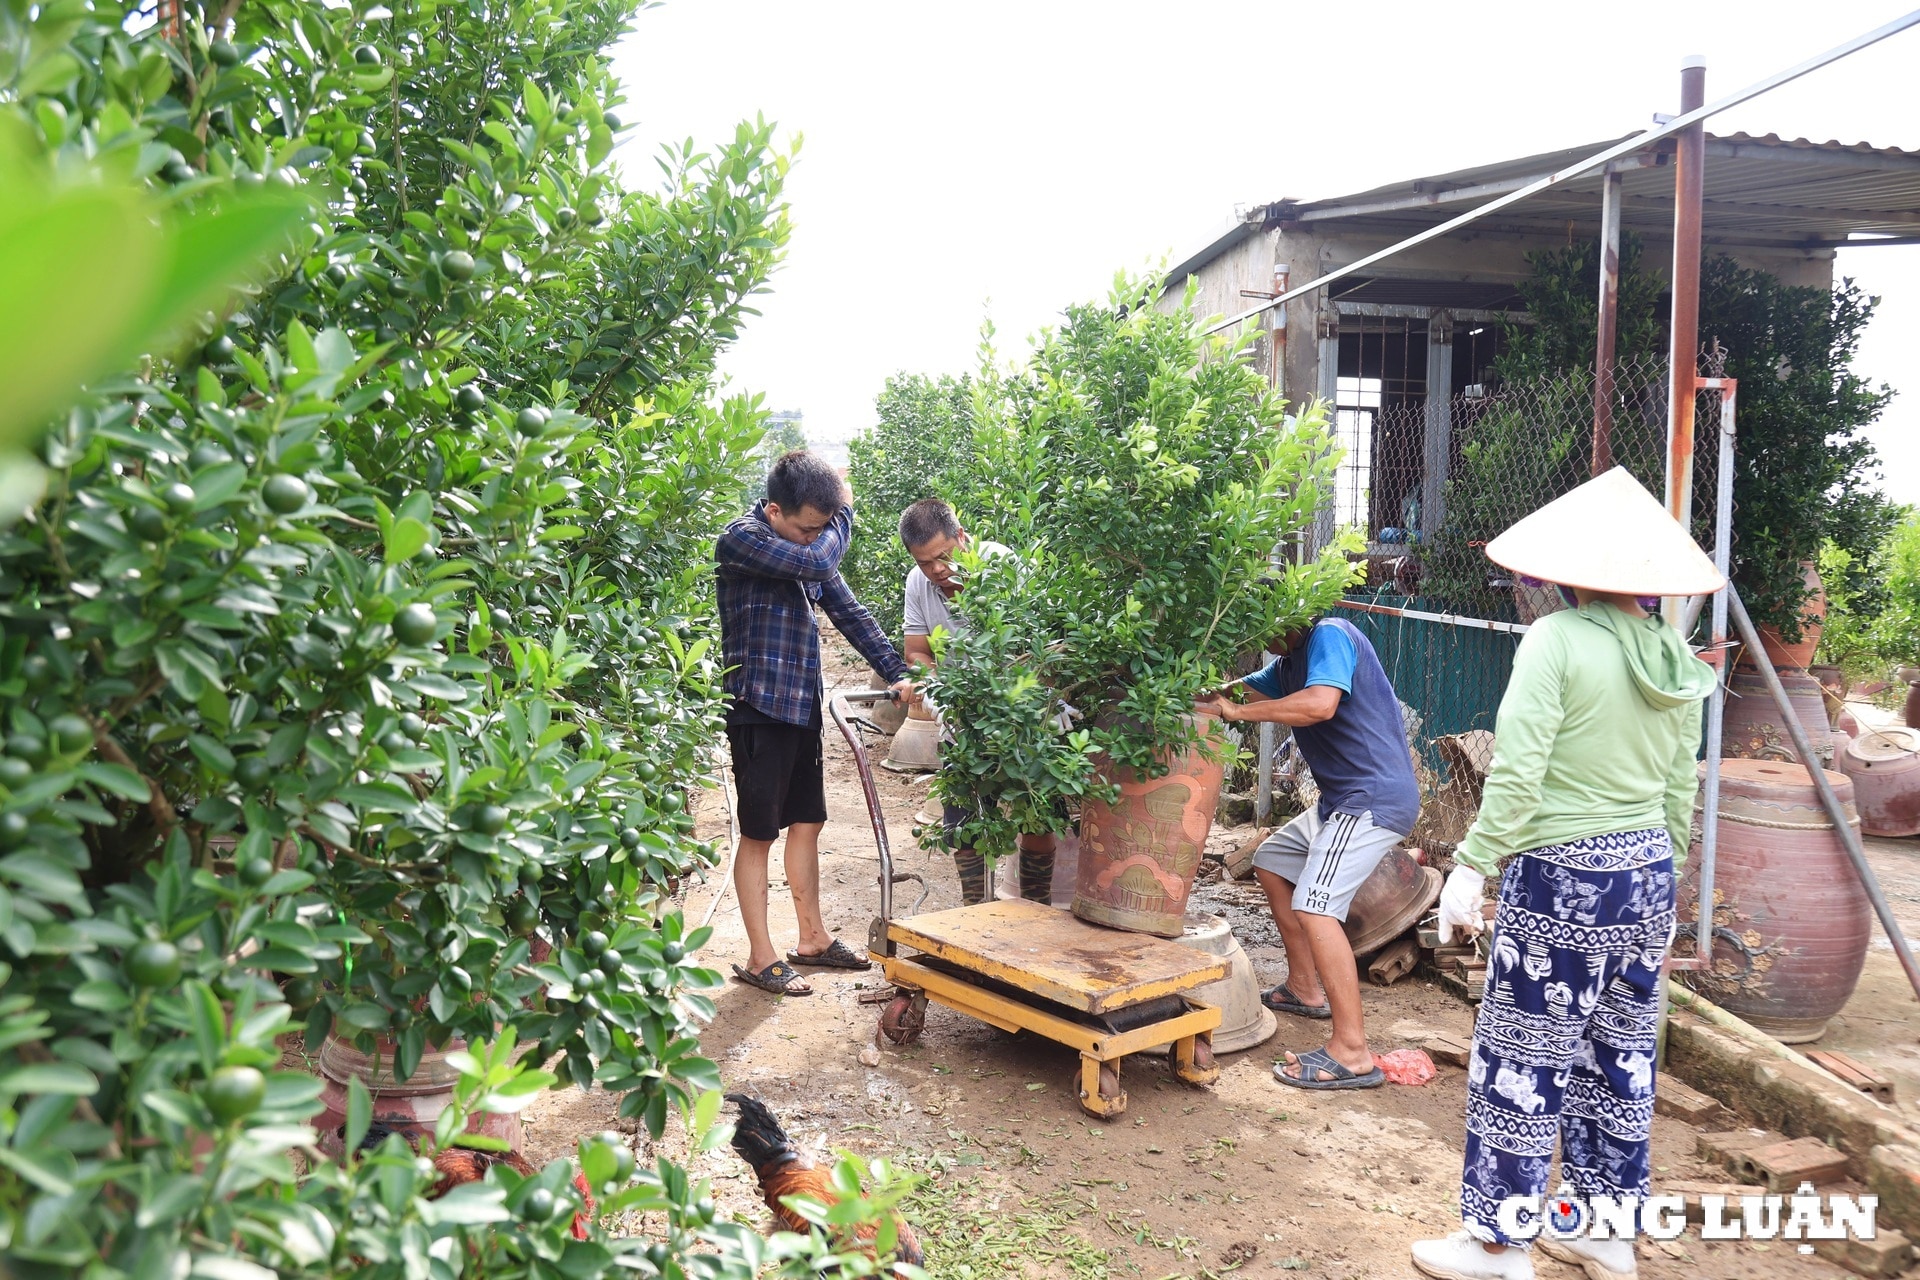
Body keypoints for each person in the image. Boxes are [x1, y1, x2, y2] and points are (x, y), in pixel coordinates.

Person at [1410, 467, 1721, 1280]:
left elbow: (1518, 770)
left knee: (1524, 1052)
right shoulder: (1675, 658)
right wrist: (1665, 870)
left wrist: (1474, 863)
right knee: (1619, 1055)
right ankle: (1604, 1232)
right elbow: (1681, 783)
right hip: (1648, 874)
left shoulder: (1556, 640)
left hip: (1563, 876)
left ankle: (1497, 1245)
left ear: (1567, 570)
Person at [715, 451, 913, 996]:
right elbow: (821, 564)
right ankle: (760, 956)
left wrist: (897, 673)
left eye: (821, 528)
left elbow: (849, 611)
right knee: (759, 832)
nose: (813, 538)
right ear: (774, 510)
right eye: (808, 528)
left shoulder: (807, 550)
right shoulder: (742, 539)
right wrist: (845, 514)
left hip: (801, 706)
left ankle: (812, 939)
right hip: (757, 707)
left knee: (808, 822)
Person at [1194, 612, 1420, 1090]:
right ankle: (1304, 987)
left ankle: (1353, 1052)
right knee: (1272, 862)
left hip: (1370, 798)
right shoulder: (1286, 664)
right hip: (1341, 799)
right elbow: (1232, 693)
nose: (1259, 638)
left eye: (1262, 626)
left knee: (1316, 905)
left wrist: (1234, 713)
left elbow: (1319, 705)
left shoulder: (1330, 635)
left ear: (1294, 613)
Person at [896, 498, 1058, 905]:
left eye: (943, 557)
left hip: (1021, 718)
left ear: (961, 537)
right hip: (961, 720)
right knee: (962, 825)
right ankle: (973, 912)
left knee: (1036, 815)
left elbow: (1039, 646)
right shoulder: (918, 584)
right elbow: (916, 651)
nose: (936, 570)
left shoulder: (1005, 568)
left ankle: (1033, 913)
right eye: (924, 563)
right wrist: (934, 688)